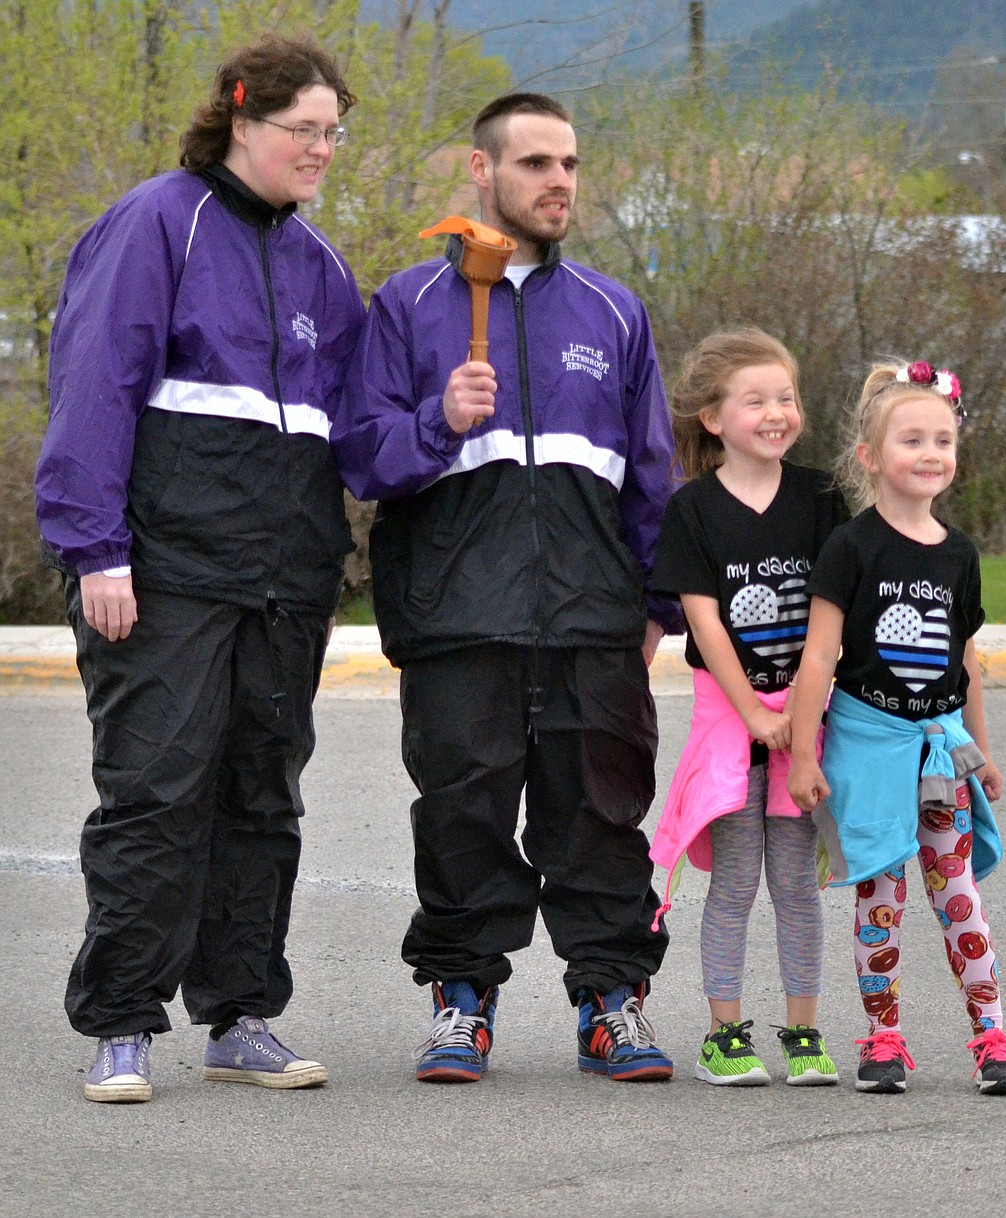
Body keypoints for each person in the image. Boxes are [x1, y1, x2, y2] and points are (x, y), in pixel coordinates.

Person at [34, 33, 366, 1103]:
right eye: (303, 130)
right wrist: (96, 550)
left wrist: (445, 418)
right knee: (154, 793)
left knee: (262, 798)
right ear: (238, 116)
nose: (322, 149)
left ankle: (241, 1014)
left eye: (333, 133)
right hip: (166, 571)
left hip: (288, 580)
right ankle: (123, 1023)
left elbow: (356, 434)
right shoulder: (153, 223)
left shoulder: (322, 268)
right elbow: (93, 391)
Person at [332, 92, 676, 1083]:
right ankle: (462, 1001)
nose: (559, 182)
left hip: (590, 622)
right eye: (535, 164)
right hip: (456, 616)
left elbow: (651, 476)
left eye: (568, 163)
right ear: (482, 174)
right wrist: (439, 418)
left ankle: (611, 1001)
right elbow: (364, 459)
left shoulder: (615, 311)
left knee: (601, 819)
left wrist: (653, 608)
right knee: (462, 815)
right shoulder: (407, 305)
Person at [785, 359, 1006, 1096]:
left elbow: (965, 660)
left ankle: (991, 1035)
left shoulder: (960, 554)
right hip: (869, 750)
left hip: (937, 754)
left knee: (958, 897)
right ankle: (882, 1038)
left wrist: (978, 751)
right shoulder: (851, 547)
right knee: (879, 900)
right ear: (870, 457)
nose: (931, 455)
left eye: (943, 441)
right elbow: (819, 656)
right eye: (912, 440)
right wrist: (804, 755)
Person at [647, 328, 848, 1087]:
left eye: (786, 398)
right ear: (713, 418)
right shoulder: (693, 511)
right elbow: (705, 626)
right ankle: (723, 1034)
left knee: (797, 884)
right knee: (733, 884)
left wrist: (799, 725)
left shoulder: (823, 497)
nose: (776, 412)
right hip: (730, 718)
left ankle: (803, 1030)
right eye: (755, 399)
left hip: (807, 716)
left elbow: (831, 621)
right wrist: (757, 718)